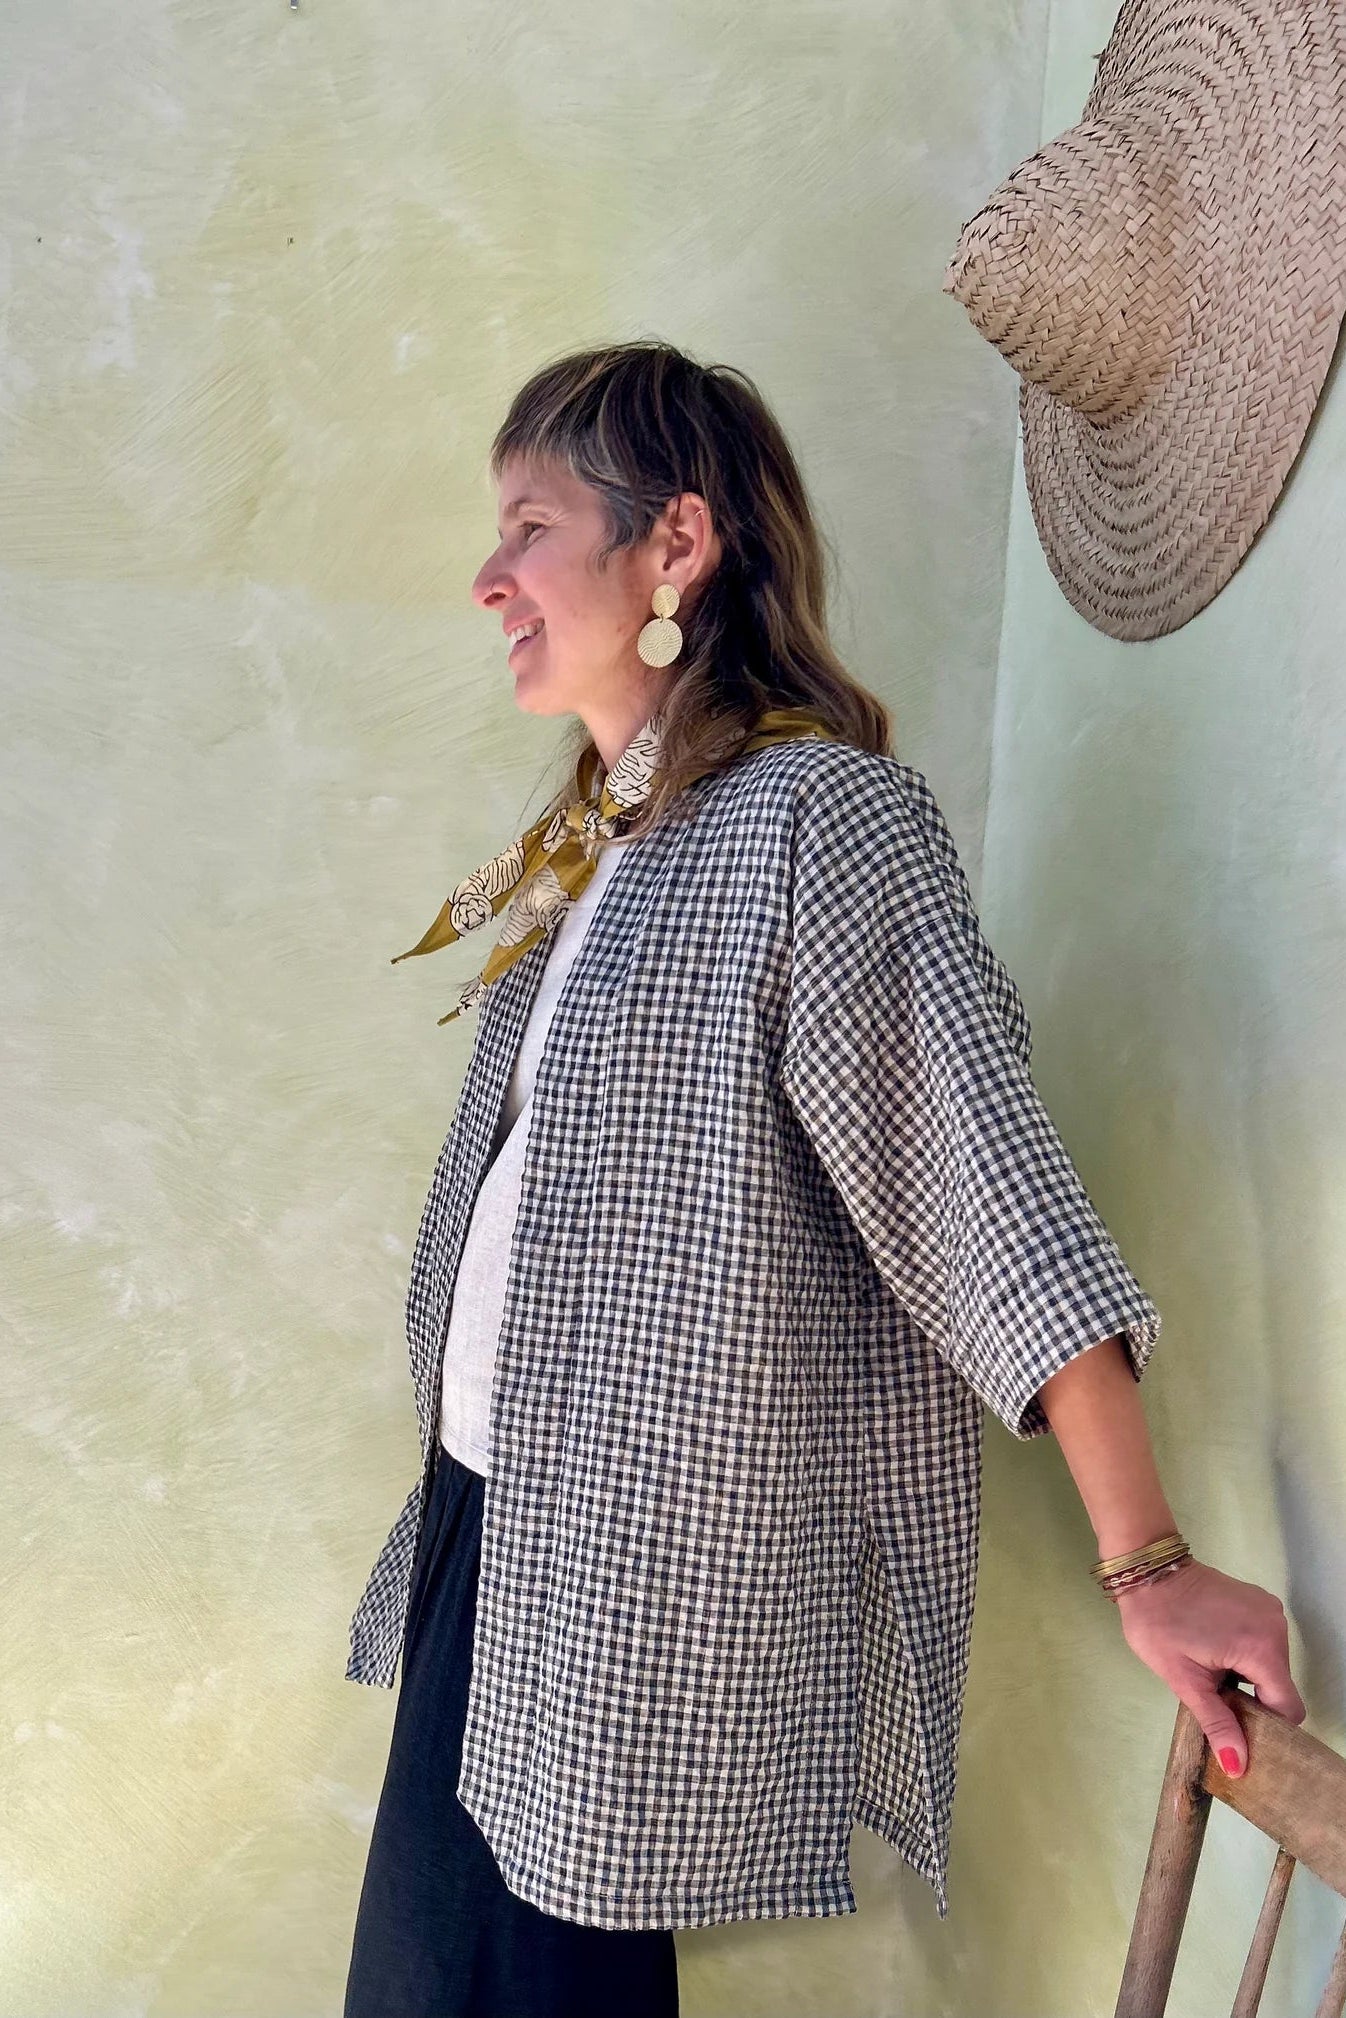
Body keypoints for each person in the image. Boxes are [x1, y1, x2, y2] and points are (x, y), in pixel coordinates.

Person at [342, 341, 1305, 2018]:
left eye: (529, 525)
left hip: (620, 1578)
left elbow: (984, 1193)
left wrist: (1148, 1561)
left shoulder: (818, 820)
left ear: (675, 547)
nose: (488, 577)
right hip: (485, 1528)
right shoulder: (605, 849)